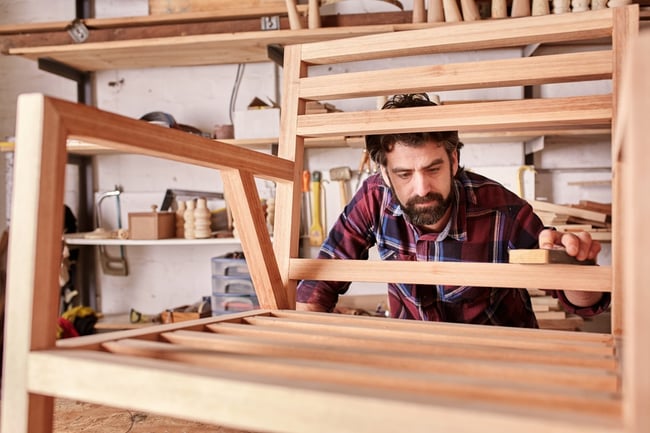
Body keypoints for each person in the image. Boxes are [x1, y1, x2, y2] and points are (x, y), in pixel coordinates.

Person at [296, 93, 610, 328]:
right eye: (404, 174)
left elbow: (583, 304)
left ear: (454, 161)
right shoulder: (374, 197)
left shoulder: (504, 213)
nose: (421, 189)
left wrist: (577, 269)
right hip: (416, 364)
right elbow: (319, 284)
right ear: (384, 173)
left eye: (433, 169)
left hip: (502, 367)